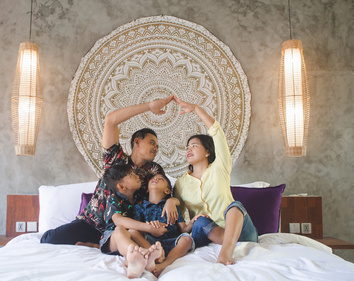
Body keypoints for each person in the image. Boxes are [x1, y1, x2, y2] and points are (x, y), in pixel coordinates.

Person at [41, 95, 180, 246]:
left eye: (158, 146)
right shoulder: (115, 159)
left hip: (124, 231)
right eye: (152, 143)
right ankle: (96, 244)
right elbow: (110, 120)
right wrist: (149, 106)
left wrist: (172, 200)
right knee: (48, 240)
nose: (156, 148)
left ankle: (101, 246)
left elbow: (163, 194)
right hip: (91, 223)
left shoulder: (154, 170)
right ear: (137, 142)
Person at [172, 96, 258, 265]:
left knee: (235, 206)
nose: (189, 149)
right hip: (209, 233)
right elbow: (182, 227)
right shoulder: (181, 184)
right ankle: (224, 241)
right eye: (187, 147)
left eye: (194, 145)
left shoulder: (220, 167)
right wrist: (192, 221)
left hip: (242, 233)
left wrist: (196, 108)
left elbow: (216, 130)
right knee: (202, 222)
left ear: (207, 152)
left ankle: (225, 253)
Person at [130, 173, 206, 276]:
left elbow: (184, 229)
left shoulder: (172, 207)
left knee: (186, 239)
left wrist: (193, 221)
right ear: (147, 189)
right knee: (133, 232)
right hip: (151, 242)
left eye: (160, 179)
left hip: (172, 241)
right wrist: (149, 227)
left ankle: (165, 263)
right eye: (152, 178)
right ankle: (153, 254)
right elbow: (138, 228)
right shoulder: (140, 207)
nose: (155, 179)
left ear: (167, 191)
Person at [99, 164, 164, 279]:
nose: (137, 175)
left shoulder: (140, 196)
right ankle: (135, 258)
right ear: (122, 187)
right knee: (120, 230)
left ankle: (149, 257)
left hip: (135, 235)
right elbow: (118, 220)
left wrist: (171, 202)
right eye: (132, 175)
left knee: (135, 232)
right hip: (113, 239)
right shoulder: (114, 199)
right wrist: (148, 227)